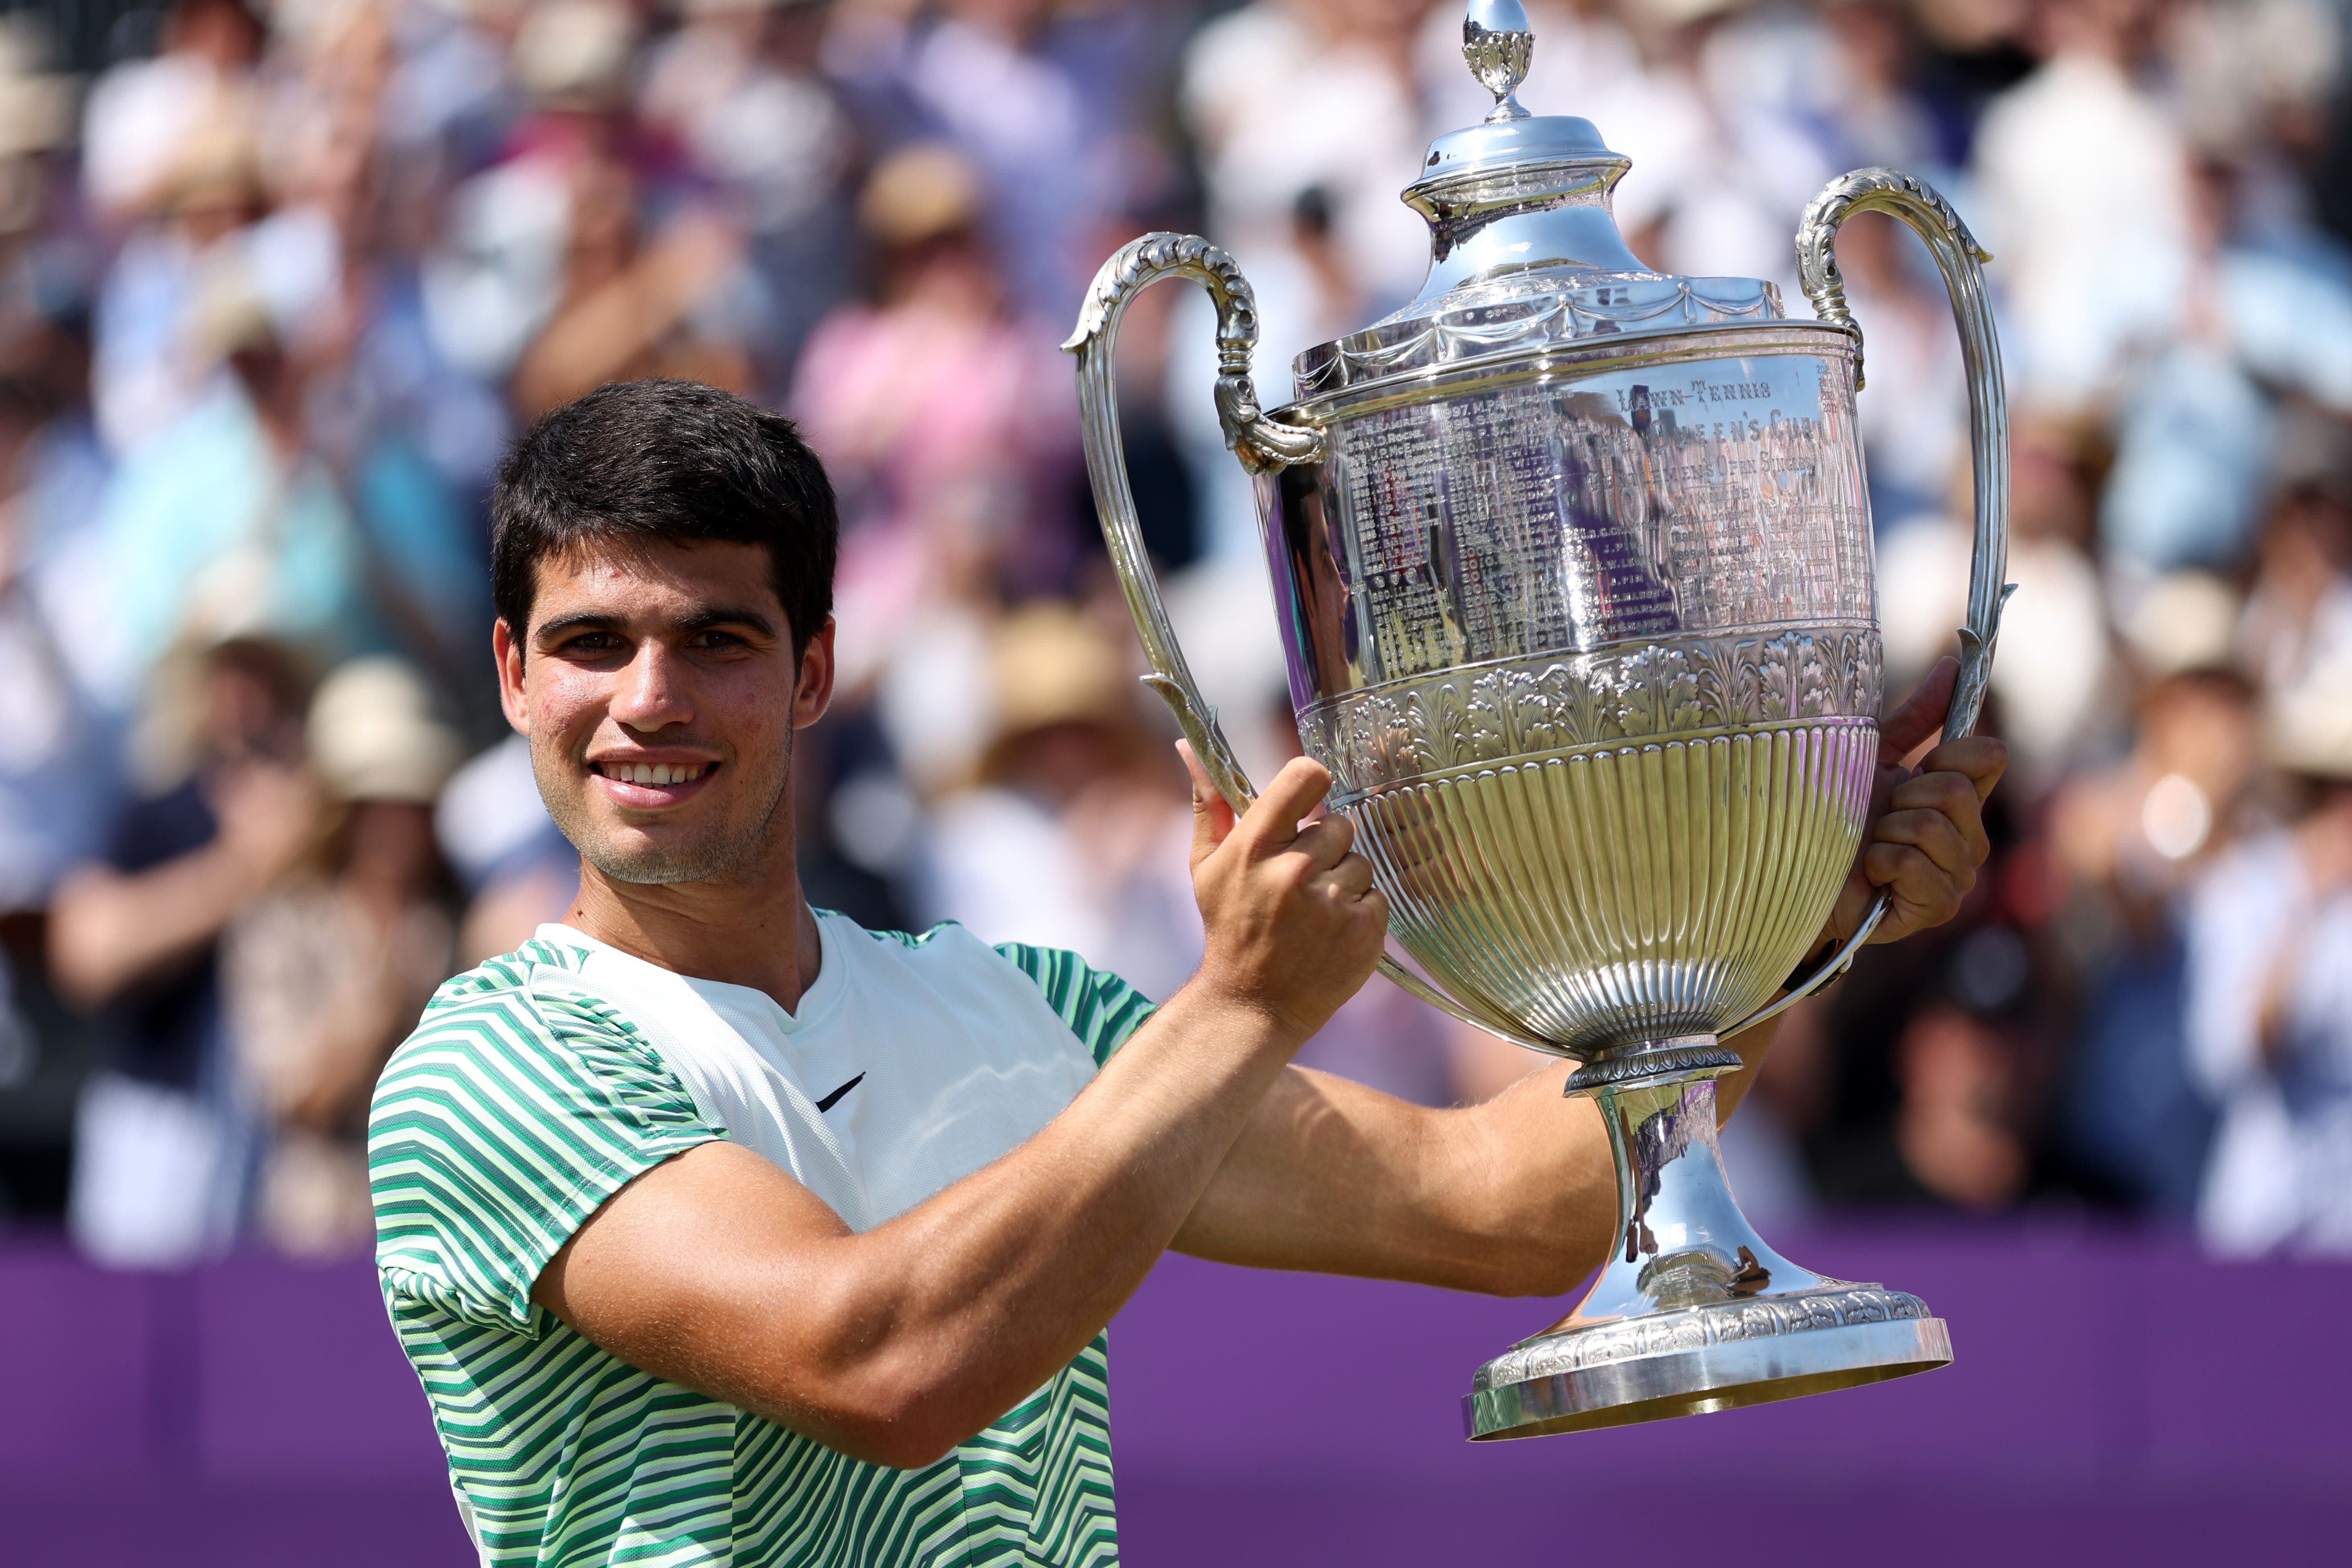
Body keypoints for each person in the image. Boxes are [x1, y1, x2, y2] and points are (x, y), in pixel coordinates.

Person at [368, 378, 2005, 1565]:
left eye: (717, 641)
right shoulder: (485, 1070)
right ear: (512, 677)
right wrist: (1238, 1005)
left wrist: (1791, 909)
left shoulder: (1031, 1008)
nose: (648, 699)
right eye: (594, 642)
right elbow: (877, 1366)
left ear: (813, 678)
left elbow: (1510, 1207)